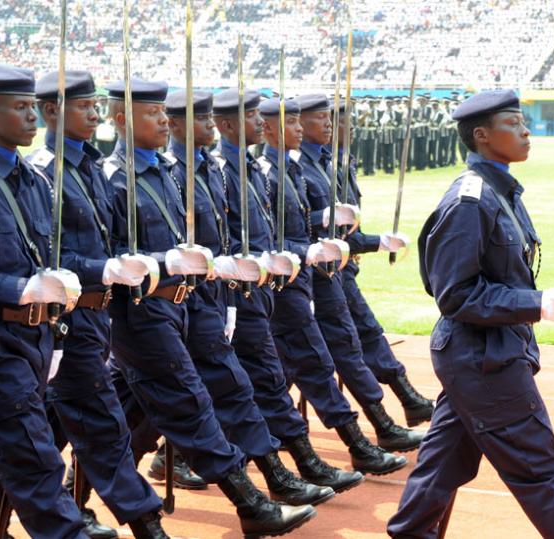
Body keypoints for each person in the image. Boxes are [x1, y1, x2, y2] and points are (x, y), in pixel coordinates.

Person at [102, 78, 315, 538]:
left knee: (145, 408)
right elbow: (106, 255)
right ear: (120, 119)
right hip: (142, 311)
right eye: (152, 113)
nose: (162, 120)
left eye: (163, 111)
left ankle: (72, 494)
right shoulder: (114, 178)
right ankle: (250, 502)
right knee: (188, 403)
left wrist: (224, 266)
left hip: (191, 302)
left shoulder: (166, 171)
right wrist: (161, 264)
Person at [387, 89, 554, 539]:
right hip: (483, 360)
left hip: (487, 353)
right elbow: (454, 294)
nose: (526, 131)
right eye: (513, 123)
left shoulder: (499, 189)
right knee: (543, 473)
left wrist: (540, 298)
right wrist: (538, 304)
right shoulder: (470, 201)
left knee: (445, 464)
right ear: (482, 136)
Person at [160, 88, 333, 508]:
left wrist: (255, 262)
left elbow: (234, 233)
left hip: (225, 294)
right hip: (179, 301)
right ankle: (273, 482)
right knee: (228, 387)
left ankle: (173, 457)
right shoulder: (177, 172)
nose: (261, 124)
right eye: (252, 116)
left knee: (158, 401)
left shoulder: (216, 170)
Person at [0, 64, 88, 538]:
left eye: (34, 107)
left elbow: (43, 257)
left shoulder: (36, 180)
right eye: (21, 108)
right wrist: (20, 290)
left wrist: (55, 315)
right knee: (35, 457)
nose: (33, 118)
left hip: (37, 338)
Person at [29, 70, 168, 538]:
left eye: (96, 104)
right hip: (63, 321)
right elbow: (44, 257)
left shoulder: (90, 167)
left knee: (29, 433)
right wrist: (101, 270)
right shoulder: (43, 172)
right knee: (103, 424)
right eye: (84, 106)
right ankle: (148, 525)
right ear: (51, 111)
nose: (95, 113)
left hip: (98, 315)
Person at [215, 93, 363, 494]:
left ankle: (297, 465)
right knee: (255, 380)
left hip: (266, 288)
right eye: (251, 117)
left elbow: (273, 232)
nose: (260, 125)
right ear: (225, 125)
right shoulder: (223, 170)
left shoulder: (251, 169)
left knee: (260, 379)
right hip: (232, 293)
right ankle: (296, 466)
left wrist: (301, 246)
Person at [255, 96, 406, 476]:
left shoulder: (288, 170)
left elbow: (304, 229)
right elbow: (263, 240)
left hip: (308, 280)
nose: (301, 130)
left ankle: (353, 441)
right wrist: (311, 245)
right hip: (277, 287)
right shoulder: (267, 173)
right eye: (294, 123)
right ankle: (351, 445)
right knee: (311, 363)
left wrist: (359, 240)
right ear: (268, 129)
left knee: (288, 370)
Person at [292, 93, 423, 455]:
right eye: (323, 118)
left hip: (338, 270)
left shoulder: (332, 163)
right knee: (320, 354)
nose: (333, 125)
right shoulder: (295, 168)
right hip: (310, 275)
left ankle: (393, 412)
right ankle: (382, 423)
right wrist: (326, 225)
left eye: (334, 119)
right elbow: (293, 228)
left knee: (353, 338)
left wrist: (376, 242)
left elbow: (346, 231)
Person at [334, 100, 435, 428]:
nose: (349, 130)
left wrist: (365, 242)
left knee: (361, 335)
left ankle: (404, 402)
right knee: (351, 341)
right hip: (324, 274)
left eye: (350, 124)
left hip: (342, 270)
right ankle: (397, 409)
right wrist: (377, 242)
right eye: (339, 124)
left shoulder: (343, 164)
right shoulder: (324, 171)